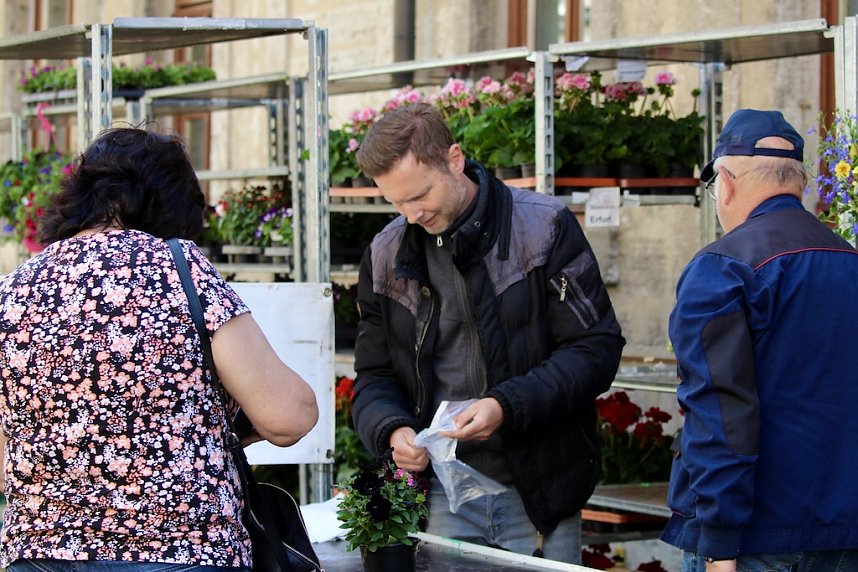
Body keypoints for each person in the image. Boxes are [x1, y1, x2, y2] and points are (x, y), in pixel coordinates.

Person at [0, 127, 319, 571]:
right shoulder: (179, 268)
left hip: (41, 554)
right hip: (182, 550)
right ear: (174, 203)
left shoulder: (13, 288)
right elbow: (289, 416)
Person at [350, 102, 625, 564]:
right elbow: (373, 375)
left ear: (454, 160)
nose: (410, 214)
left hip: (539, 491)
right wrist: (391, 429)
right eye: (395, 202)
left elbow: (595, 349)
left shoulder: (544, 227)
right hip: (442, 495)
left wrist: (506, 405)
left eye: (419, 195)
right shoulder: (385, 254)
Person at [662, 109, 858, 572]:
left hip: (758, 539)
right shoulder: (849, 260)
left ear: (724, 183)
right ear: (799, 184)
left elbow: (719, 413)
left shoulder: (723, 267)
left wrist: (719, 543)